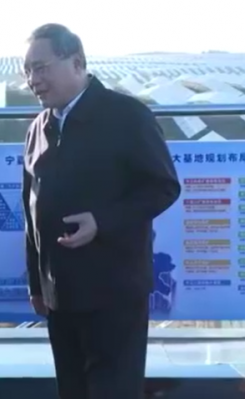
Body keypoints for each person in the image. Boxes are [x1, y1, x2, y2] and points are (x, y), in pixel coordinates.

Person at [21, 23, 181, 399]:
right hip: (60, 296)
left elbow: (163, 187)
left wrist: (102, 222)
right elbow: (31, 211)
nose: (33, 80)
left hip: (114, 293)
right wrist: (37, 285)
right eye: (26, 71)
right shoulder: (38, 128)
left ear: (77, 63)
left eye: (41, 68)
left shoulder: (126, 116)